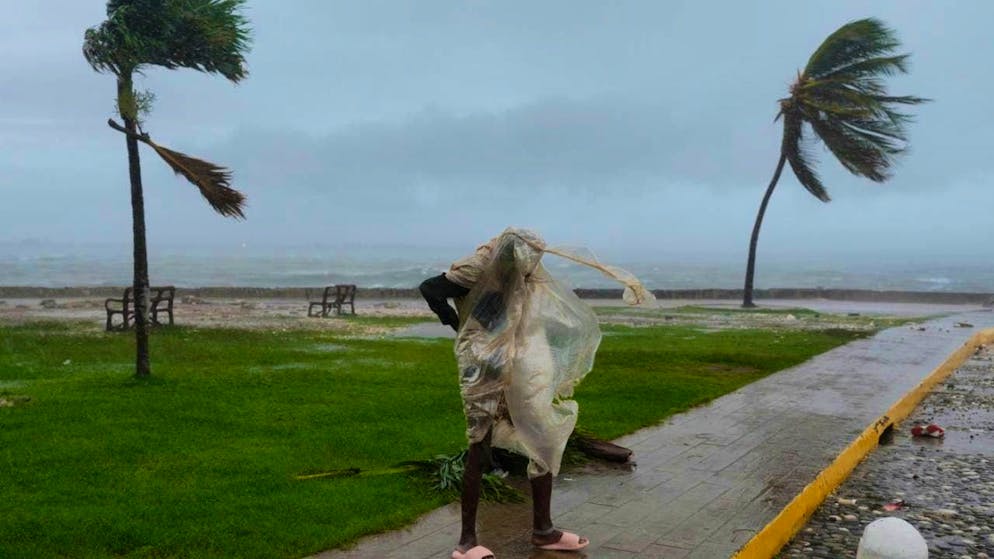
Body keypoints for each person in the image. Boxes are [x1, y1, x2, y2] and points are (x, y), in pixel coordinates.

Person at [420, 229, 591, 559]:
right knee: (480, 445)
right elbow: (430, 288)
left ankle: (544, 530)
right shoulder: (477, 267)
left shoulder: (527, 267)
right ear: (509, 256)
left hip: (517, 357)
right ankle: (466, 542)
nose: (530, 269)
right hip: (483, 362)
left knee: (541, 438)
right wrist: (460, 327)